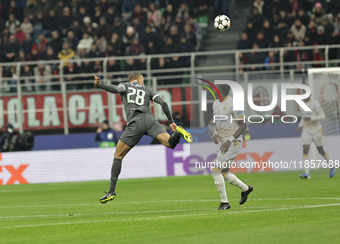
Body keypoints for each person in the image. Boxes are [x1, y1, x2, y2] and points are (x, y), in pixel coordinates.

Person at [93, 72, 193, 203]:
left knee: (118, 155)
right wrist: (171, 121)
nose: (143, 82)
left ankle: (111, 191)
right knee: (170, 143)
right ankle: (178, 133)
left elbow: (116, 89)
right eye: (143, 79)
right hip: (150, 120)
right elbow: (163, 103)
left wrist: (100, 85)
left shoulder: (126, 85)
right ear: (138, 79)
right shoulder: (148, 90)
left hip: (135, 122)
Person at [211, 84, 253, 210]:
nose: (213, 90)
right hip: (222, 142)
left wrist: (230, 140)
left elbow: (243, 124)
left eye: (215, 88)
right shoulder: (215, 104)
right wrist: (216, 133)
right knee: (224, 172)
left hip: (233, 142)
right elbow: (221, 122)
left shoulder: (233, 103)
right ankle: (246, 189)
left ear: (221, 91)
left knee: (215, 170)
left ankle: (225, 202)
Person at [297, 95, 335, 178]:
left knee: (320, 150)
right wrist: (300, 126)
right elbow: (303, 116)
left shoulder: (315, 104)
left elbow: (323, 116)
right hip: (306, 130)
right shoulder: (301, 104)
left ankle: (332, 166)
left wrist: (311, 118)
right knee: (305, 149)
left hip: (316, 130)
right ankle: (307, 173)